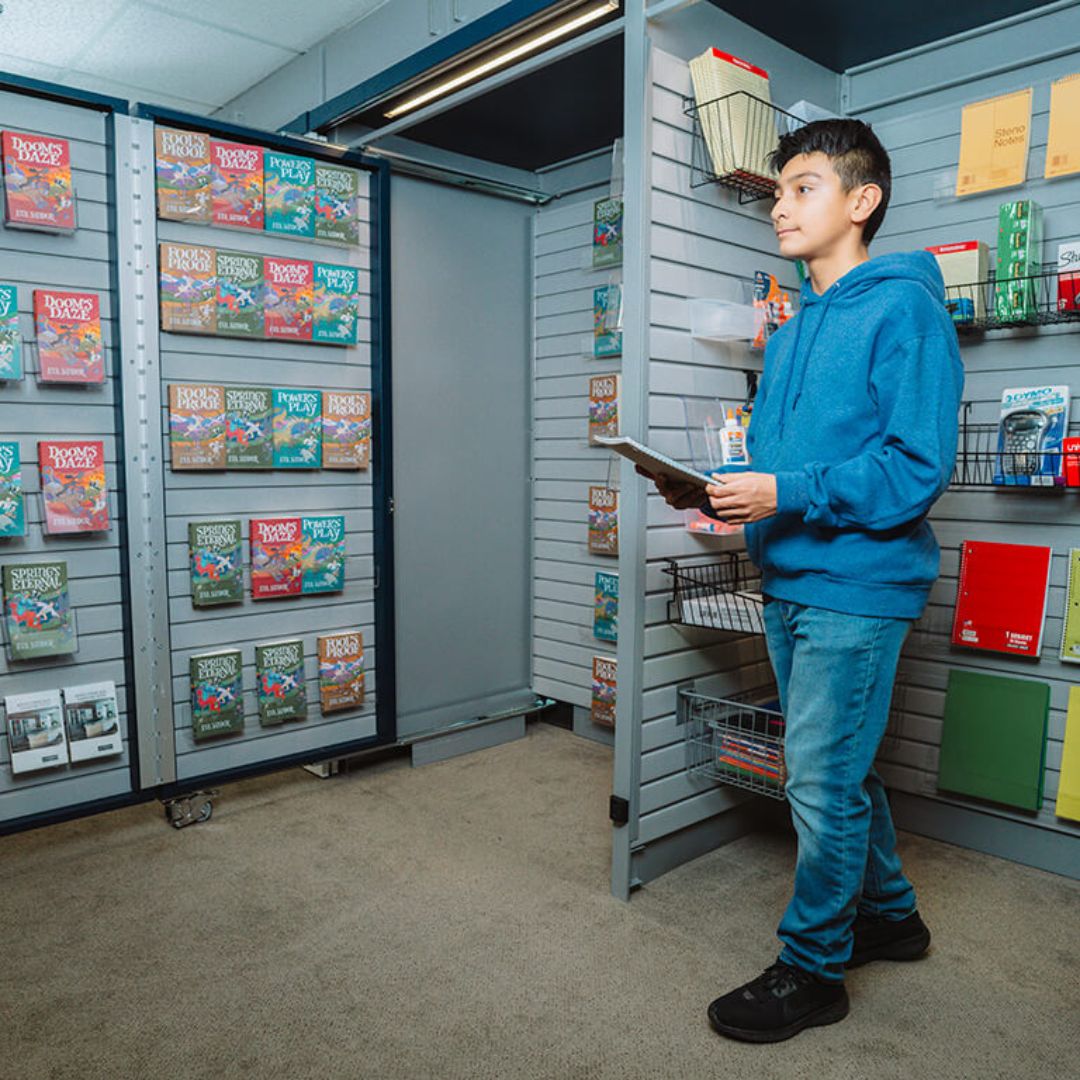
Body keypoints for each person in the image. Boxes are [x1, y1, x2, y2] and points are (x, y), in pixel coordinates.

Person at [641, 119, 963, 1043]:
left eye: (805, 188)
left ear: (862, 203)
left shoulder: (905, 313)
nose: (780, 206)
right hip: (787, 580)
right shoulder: (789, 331)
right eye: (777, 191)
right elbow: (784, 461)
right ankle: (891, 917)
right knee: (840, 775)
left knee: (818, 783)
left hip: (857, 589)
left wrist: (785, 488)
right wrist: (709, 489)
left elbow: (914, 468)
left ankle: (814, 968)